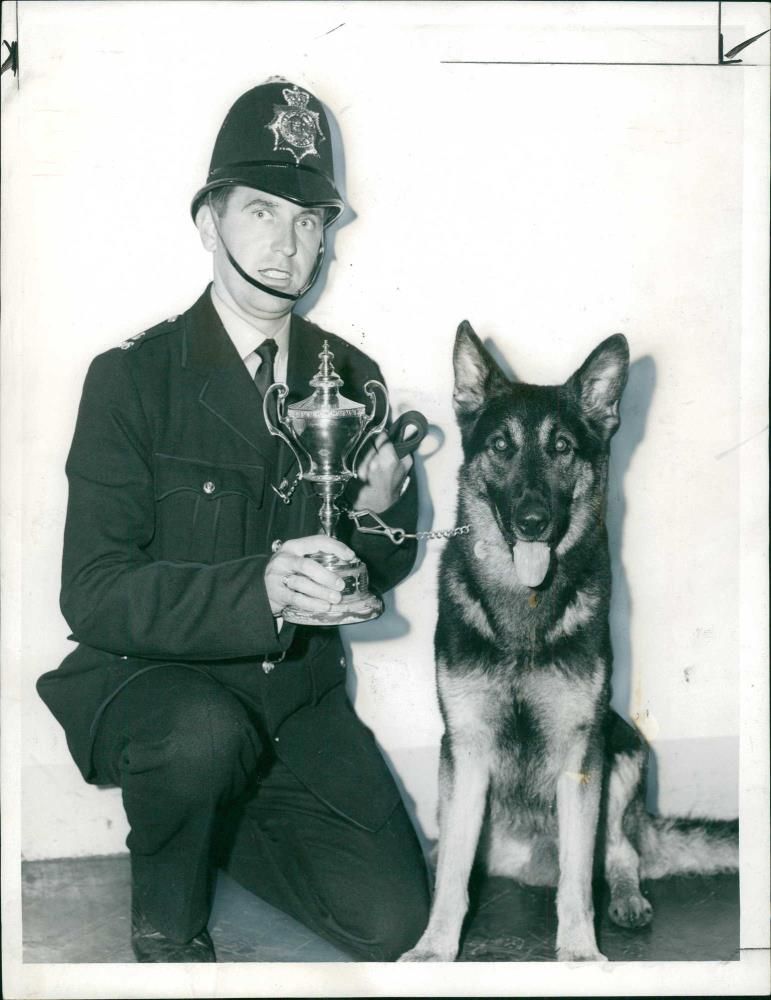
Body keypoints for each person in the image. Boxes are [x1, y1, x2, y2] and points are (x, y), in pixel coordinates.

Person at [37, 79, 430, 963]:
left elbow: (379, 564)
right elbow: (92, 592)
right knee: (201, 740)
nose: (289, 244)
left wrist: (378, 515)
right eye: (261, 212)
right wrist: (260, 592)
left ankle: (222, 822)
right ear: (209, 224)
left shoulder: (351, 374)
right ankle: (168, 923)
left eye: (309, 220)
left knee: (391, 926)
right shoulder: (131, 378)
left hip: (294, 702)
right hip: (159, 688)